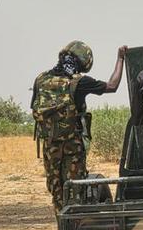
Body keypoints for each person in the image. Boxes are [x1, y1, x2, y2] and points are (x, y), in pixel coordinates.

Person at [32, 41, 126, 212]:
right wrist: (120, 59)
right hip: (72, 148)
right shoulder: (79, 82)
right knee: (75, 191)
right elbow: (112, 86)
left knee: (57, 193)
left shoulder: (41, 80)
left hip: (49, 147)